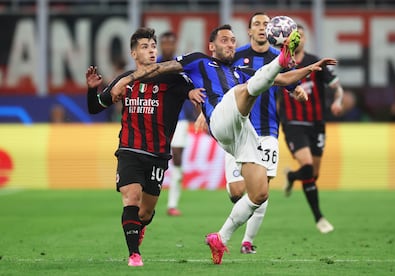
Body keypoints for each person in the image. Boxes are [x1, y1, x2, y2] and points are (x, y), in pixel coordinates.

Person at [110, 24, 337, 265]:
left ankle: (220, 237)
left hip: (242, 129)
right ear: (212, 46)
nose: (230, 44)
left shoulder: (241, 70)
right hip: (220, 118)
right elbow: (157, 68)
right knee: (243, 92)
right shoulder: (199, 61)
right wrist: (126, 80)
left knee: (259, 194)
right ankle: (282, 57)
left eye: (232, 41)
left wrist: (309, 69)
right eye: (225, 40)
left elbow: (281, 79)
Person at [85, 27, 204, 267]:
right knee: (131, 196)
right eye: (144, 47)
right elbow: (95, 107)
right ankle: (134, 255)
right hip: (129, 149)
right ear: (133, 53)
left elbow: (194, 91)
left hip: (158, 155)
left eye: (153, 47)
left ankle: (140, 228)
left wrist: (193, 96)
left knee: (145, 213)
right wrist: (91, 89)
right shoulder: (124, 81)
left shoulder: (173, 79)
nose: (151, 51)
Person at [225, 12, 306, 254]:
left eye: (266, 24)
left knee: (261, 191)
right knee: (238, 192)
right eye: (257, 24)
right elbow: (217, 84)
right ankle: (233, 225)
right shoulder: (235, 56)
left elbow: (292, 82)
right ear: (249, 31)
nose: (262, 28)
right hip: (238, 131)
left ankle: (246, 242)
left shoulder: (280, 58)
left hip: (268, 130)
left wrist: (298, 91)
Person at [280, 25, 344, 234]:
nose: (297, 40)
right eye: (293, 37)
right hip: (292, 122)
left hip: (317, 123)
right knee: (307, 165)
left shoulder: (316, 62)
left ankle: (291, 177)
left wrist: (338, 101)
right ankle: (319, 218)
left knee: (313, 174)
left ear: (305, 39)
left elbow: (337, 88)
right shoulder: (280, 65)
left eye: (300, 36)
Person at [157, 31, 194, 216]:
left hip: (179, 119)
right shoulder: (153, 65)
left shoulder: (181, 66)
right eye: (165, 43)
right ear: (161, 45)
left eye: (171, 43)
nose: (168, 46)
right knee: (154, 158)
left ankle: (172, 204)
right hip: (156, 119)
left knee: (177, 157)